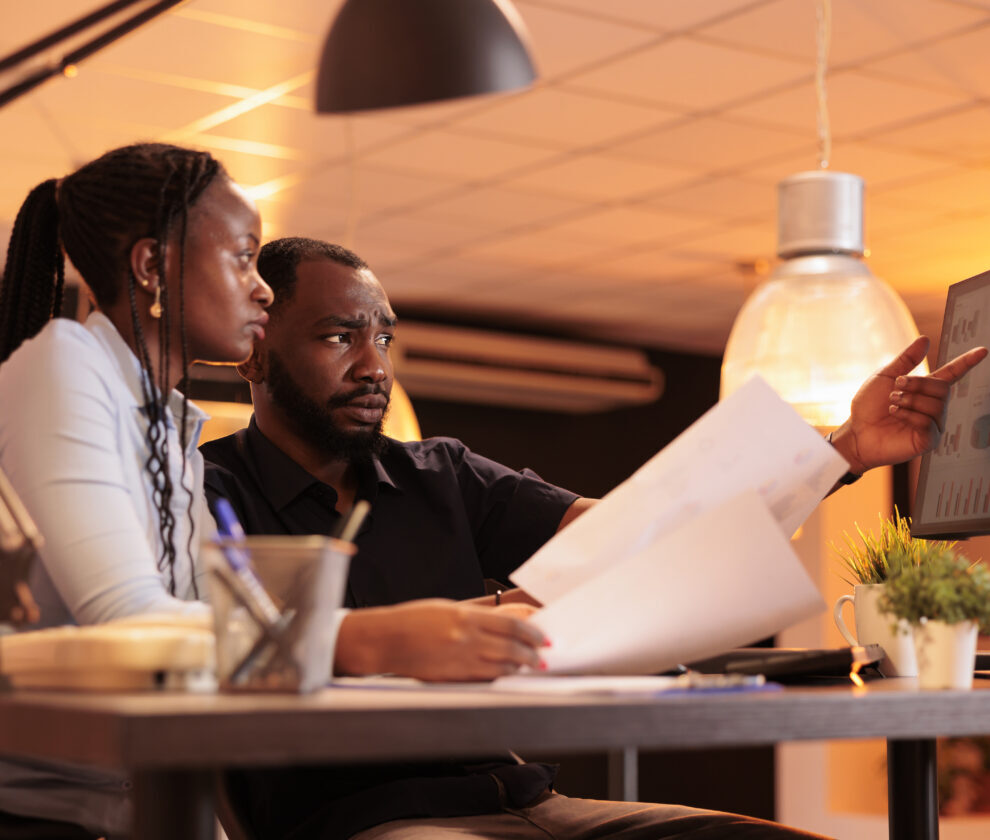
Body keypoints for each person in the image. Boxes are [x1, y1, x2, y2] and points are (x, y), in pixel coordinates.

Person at [202, 236, 987, 840]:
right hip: (363, 820)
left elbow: (636, 531)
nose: (376, 366)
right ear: (256, 350)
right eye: (341, 337)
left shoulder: (440, 473)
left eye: (386, 339)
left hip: (526, 798)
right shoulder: (206, 493)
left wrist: (845, 449)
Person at [0, 142, 274, 838]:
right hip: (45, 819)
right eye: (243, 255)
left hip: (146, 810)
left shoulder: (170, 428)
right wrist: (366, 641)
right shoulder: (64, 363)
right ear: (153, 265)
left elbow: (242, 634)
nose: (262, 285)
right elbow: (132, 622)